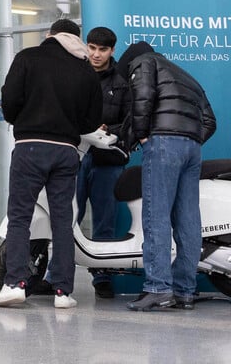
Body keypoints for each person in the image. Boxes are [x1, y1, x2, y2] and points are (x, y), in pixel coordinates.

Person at [0, 19, 102, 309]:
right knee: (63, 221)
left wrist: (24, 119)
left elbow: (10, 100)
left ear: (50, 35)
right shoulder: (86, 70)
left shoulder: (28, 57)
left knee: (20, 217)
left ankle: (15, 283)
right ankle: (64, 292)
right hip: (67, 151)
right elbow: (91, 120)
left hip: (30, 147)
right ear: (77, 39)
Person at [121, 41, 217, 311]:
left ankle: (158, 288)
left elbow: (142, 96)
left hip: (163, 143)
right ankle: (184, 291)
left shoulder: (144, 62)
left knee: (156, 215)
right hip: (192, 149)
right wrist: (190, 139)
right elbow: (211, 121)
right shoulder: (188, 78)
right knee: (188, 220)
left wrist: (142, 134)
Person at [78, 26, 133, 299]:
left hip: (108, 160)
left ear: (112, 51)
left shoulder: (122, 84)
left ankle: (102, 276)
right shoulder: (74, 74)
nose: (96, 54)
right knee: (66, 217)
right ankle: (54, 273)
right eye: (92, 47)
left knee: (105, 220)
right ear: (85, 46)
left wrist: (107, 129)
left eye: (102, 49)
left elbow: (130, 123)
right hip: (75, 157)